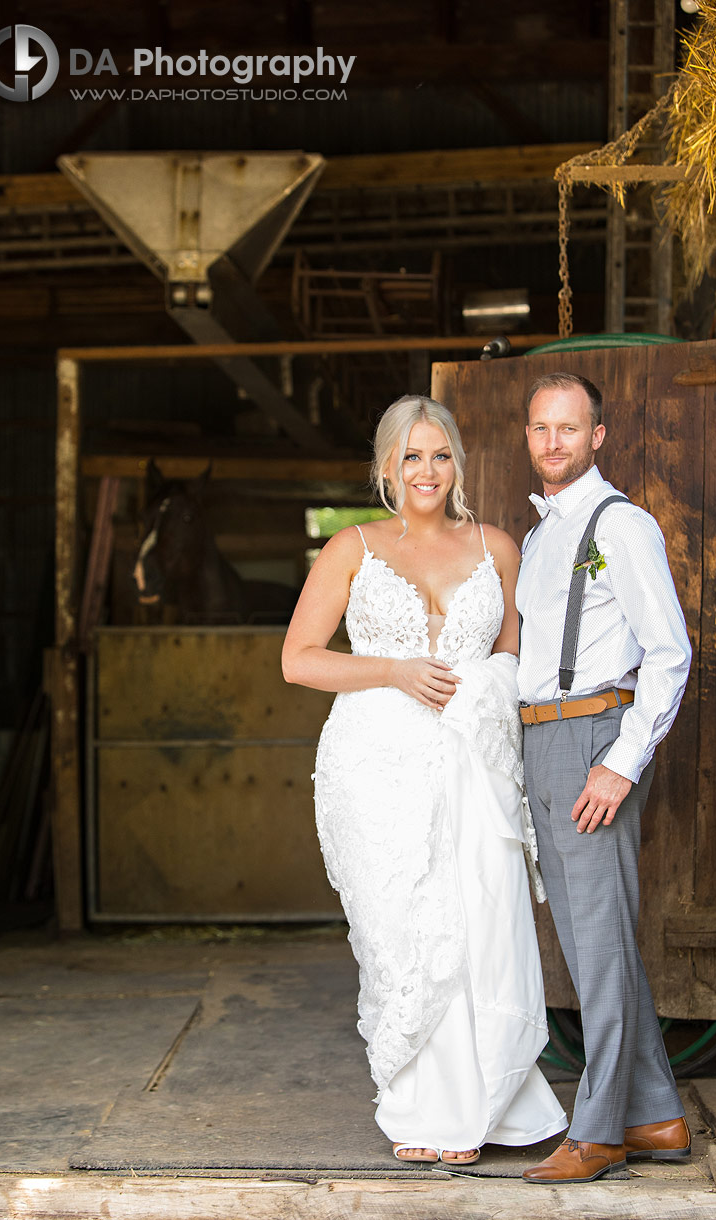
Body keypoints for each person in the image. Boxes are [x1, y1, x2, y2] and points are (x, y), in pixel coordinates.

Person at [282, 394, 567, 1165]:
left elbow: (516, 662)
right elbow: (299, 658)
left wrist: (486, 690)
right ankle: (426, 1109)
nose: (427, 470)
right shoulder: (351, 548)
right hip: (378, 765)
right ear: (385, 466)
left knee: (481, 921)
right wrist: (394, 669)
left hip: (475, 762)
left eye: (440, 455)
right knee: (404, 931)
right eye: (411, 456)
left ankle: (494, 1104)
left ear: (458, 465)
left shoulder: (499, 546)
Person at [516, 372, 692, 1185]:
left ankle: (598, 1132)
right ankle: (654, 1115)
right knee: (595, 944)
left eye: (568, 428)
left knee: (597, 944)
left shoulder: (620, 526)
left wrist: (620, 764)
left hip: (594, 739)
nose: (552, 441)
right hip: (544, 742)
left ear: (598, 436)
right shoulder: (542, 533)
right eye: (539, 428)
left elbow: (669, 653)